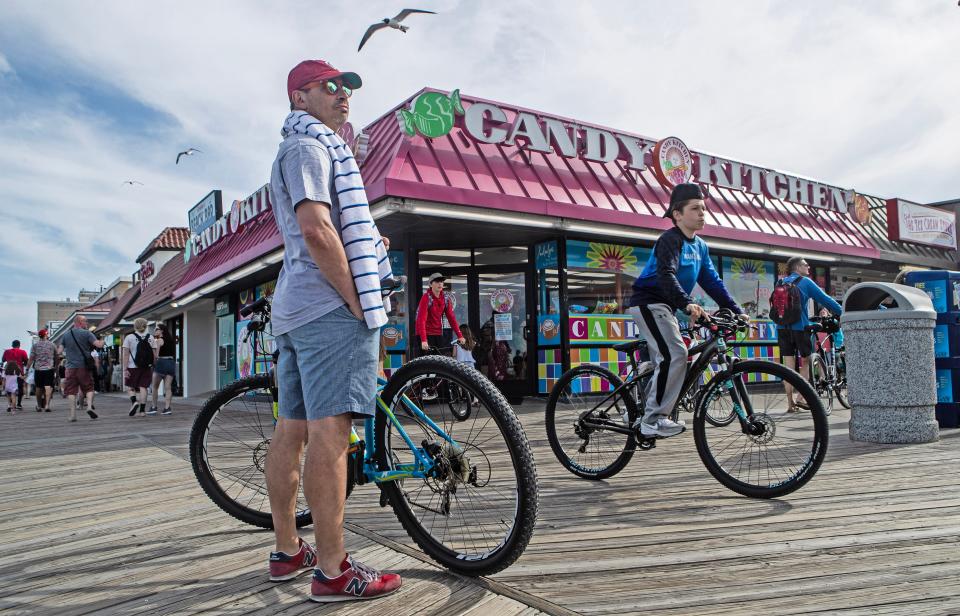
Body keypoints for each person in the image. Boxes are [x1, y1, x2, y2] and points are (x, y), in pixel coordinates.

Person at [263, 58, 401, 602]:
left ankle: (287, 551)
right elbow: (317, 229)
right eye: (329, 86)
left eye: (347, 87)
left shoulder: (304, 146)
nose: (343, 94)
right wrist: (359, 302)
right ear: (300, 98)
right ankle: (334, 570)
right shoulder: (308, 146)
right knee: (330, 434)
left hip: (298, 308)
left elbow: (327, 231)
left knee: (292, 428)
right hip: (326, 309)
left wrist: (367, 250)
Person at [627, 183, 746, 438]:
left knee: (676, 355)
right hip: (649, 301)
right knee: (675, 353)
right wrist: (685, 302)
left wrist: (736, 310)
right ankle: (652, 419)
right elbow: (666, 274)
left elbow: (712, 281)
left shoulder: (700, 246)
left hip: (669, 305)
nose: (702, 213)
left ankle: (642, 407)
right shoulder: (669, 240)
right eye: (695, 209)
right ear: (677, 214)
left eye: (704, 208)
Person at [775, 256, 842, 413]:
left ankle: (790, 403)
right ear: (798, 267)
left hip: (782, 329)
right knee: (806, 362)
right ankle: (801, 398)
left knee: (789, 367)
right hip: (801, 328)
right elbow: (826, 300)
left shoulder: (779, 283)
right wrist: (843, 312)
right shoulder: (805, 282)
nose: (808, 267)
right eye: (806, 265)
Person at [61, 315, 104, 421]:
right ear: (79, 322)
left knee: (71, 391)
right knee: (89, 388)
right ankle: (89, 407)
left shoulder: (66, 335)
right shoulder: (87, 333)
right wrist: (103, 340)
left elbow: (59, 350)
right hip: (84, 367)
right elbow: (98, 345)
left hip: (70, 368)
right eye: (86, 321)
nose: (87, 323)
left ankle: (72, 415)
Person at [415, 273, 465, 354]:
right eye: (437, 281)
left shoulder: (445, 298)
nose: (440, 284)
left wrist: (460, 335)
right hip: (424, 333)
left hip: (438, 332)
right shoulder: (426, 297)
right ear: (430, 284)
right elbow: (421, 319)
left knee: (441, 359)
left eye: (441, 282)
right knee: (426, 361)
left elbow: (451, 318)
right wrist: (424, 340)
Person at [123, 318, 154, 417]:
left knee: (130, 386)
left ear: (135, 326)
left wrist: (125, 368)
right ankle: (142, 411)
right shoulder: (151, 337)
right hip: (146, 367)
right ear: (145, 326)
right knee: (143, 387)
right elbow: (154, 355)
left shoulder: (129, 337)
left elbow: (126, 355)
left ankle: (134, 402)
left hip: (133, 366)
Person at [149, 323, 177, 415]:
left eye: (157, 329)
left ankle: (154, 407)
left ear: (162, 331)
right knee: (168, 387)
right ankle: (167, 408)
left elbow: (156, 355)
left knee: (154, 386)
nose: (155, 331)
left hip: (162, 363)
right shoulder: (171, 340)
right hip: (171, 363)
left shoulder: (159, 340)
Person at [28, 329, 58, 412]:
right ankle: (47, 405)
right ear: (45, 335)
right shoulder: (52, 345)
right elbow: (56, 356)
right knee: (48, 386)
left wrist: (27, 368)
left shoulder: (35, 345)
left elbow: (31, 358)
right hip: (49, 369)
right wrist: (56, 366)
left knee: (38, 387)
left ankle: (39, 405)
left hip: (38, 369)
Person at [2, 340, 29, 410]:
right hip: (19, 372)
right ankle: (19, 404)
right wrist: (23, 364)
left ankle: (10, 404)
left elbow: (3, 360)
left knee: (9, 388)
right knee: (20, 387)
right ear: (19, 345)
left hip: (9, 372)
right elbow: (26, 361)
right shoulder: (23, 352)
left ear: (12, 345)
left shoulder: (6, 351)